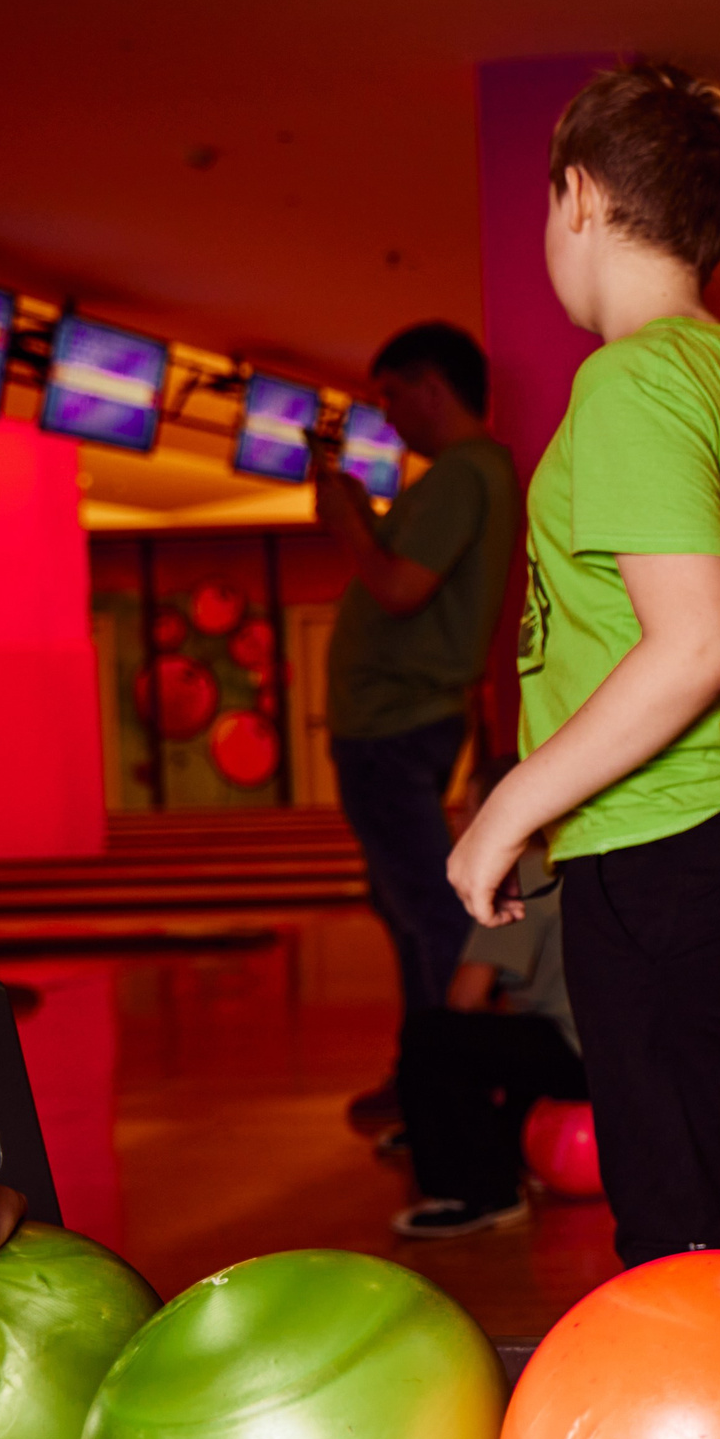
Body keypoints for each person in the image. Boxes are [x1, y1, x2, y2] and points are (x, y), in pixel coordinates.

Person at [445, 62, 720, 1267]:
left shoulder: (631, 381)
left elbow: (700, 645)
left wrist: (503, 811)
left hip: (663, 835)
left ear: (577, 196)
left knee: (684, 1221)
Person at [317, 323, 520, 1134]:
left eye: (393, 395)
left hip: (394, 725)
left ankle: (454, 1098)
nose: (390, 416)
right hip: (405, 720)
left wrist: (349, 521)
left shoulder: (464, 472)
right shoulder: (472, 474)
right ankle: (426, 1078)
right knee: (408, 906)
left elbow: (402, 587)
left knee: (430, 912)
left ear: (433, 387)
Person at [392, 841, 585, 1237]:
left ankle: (477, 1194)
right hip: (638, 1056)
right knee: (514, 1039)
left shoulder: (525, 873)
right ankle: (514, 1155)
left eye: (462, 813)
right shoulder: (587, 860)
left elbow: (465, 997)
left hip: (581, 1056)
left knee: (431, 1038)